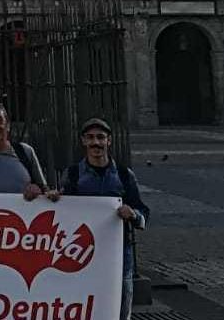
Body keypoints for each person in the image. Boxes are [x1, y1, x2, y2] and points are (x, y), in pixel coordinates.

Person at [60, 118, 149, 320]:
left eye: (101, 137)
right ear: (83, 141)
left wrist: (134, 215)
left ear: (109, 141)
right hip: (81, 254)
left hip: (118, 254)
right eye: (90, 138)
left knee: (119, 306)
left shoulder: (125, 175)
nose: (96, 143)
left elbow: (144, 213)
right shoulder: (73, 175)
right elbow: (62, 213)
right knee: (82, 304)